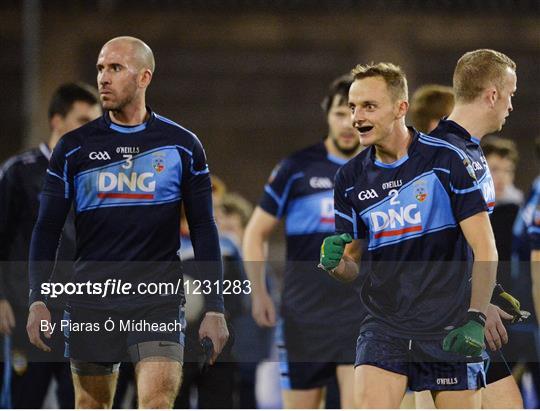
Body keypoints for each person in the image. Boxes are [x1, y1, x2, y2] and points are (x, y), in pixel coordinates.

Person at [25, 36, 228, 408]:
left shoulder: (182, 145)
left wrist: (215, 306)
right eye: (101, 68)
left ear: (144, 77)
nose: (103, 77)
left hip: (158, 300)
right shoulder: (72, 148)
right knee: (92, 405)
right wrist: (37, 298)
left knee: (156, 402)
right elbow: (46, 229)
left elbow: (203, 228)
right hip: (92, 300)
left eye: (115, 68)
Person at [319, 62, 497, 408]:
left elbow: (485, 247)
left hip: (450, 326)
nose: (357, 116)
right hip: (385, 327)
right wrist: (335, 264)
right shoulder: (350, 178)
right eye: (353, 106)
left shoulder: (447, 160)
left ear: (401, 108)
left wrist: (476, 316)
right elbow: (351, 264)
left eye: (369, 106)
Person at [243, 75, 363, 408]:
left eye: (354, 113)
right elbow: (255, 233)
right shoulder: (296, 169)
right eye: (340, 113)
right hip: (303, 318)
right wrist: (260, 293)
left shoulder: (378, 170)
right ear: (327, 113)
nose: (347, 123)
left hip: (361, 316)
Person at [427, 50, 524, 408]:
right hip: (445, 321)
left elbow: (461, 242)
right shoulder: (439, 154)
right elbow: (428, 248)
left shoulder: (471, 151)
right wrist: (474, 310)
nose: (512, 106)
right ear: (492, 95)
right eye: (510, 94)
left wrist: (490, 293)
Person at [0, 83, 101, 408]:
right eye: (83, 120)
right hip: (27, 314)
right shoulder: (19, 172)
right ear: (57, 120)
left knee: (82, 402)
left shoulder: (101, 178)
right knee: (24, 400)